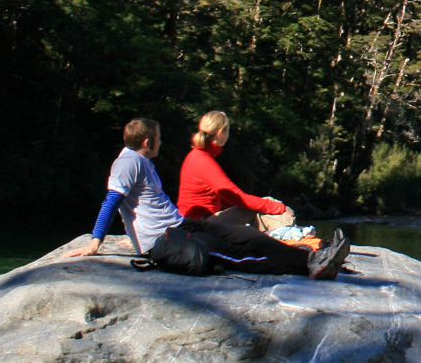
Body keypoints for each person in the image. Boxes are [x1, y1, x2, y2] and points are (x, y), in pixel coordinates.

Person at [63, 118, 350, 280]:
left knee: (246, 237)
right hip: (165, 241)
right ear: (148, 142)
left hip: (181, 225)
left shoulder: (142, 162)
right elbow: (111, 201)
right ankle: (311, 265)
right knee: (235, 256)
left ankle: (314, 256)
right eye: (159, 138)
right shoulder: (128, 163)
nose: (162, 142)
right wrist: (94, 242)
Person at [177, 111, 294, 232]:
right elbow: (238, 198)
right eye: (228, 130)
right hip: (200, 225)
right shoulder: (203, 160)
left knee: (263, 206)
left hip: (196, 223)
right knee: (269, 203)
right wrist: (281, 208)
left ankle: (287, 236)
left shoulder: (197, 156)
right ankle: (293, 238)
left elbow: (225, 199)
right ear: (221, 133)